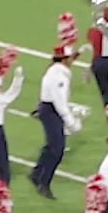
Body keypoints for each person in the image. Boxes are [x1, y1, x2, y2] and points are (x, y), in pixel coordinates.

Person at [34, 16, 84, 199]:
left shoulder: (56, 70)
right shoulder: (59, 77)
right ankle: (44, 182)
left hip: (48, 109)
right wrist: (72, 123)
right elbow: (60, 103)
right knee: (57, 149)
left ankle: (36, 173)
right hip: (51, 111)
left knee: (51, 146)